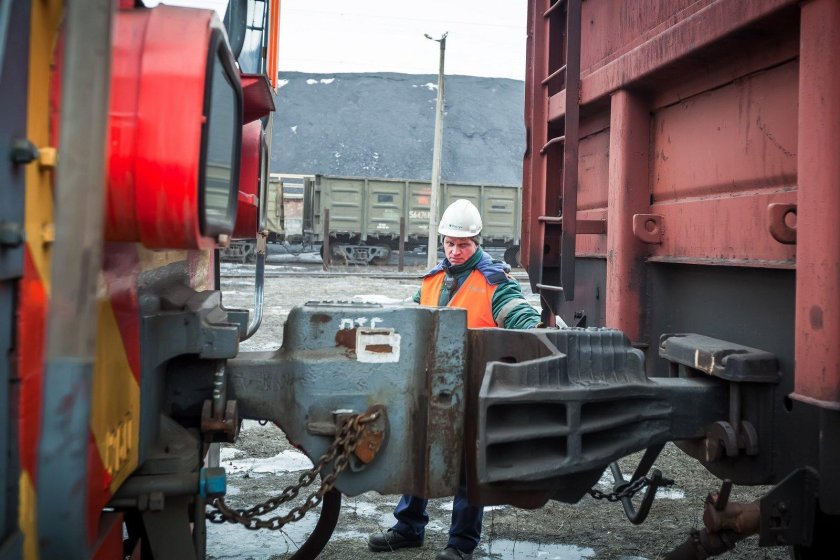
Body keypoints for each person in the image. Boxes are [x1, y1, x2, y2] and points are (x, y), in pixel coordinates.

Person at [367, 199, 541, 560]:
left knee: (466, 468)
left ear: (477, 242)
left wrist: (536, 329)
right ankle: (409, 527)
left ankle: (461, 544)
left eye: (463, 245)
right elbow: (408, 317)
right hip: (433, 387)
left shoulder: (494, 281)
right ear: (442, 240)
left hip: (474, 391)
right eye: (450, 243)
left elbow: (518, 314)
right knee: (419, 455)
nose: (455, 250)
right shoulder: (432, 280)